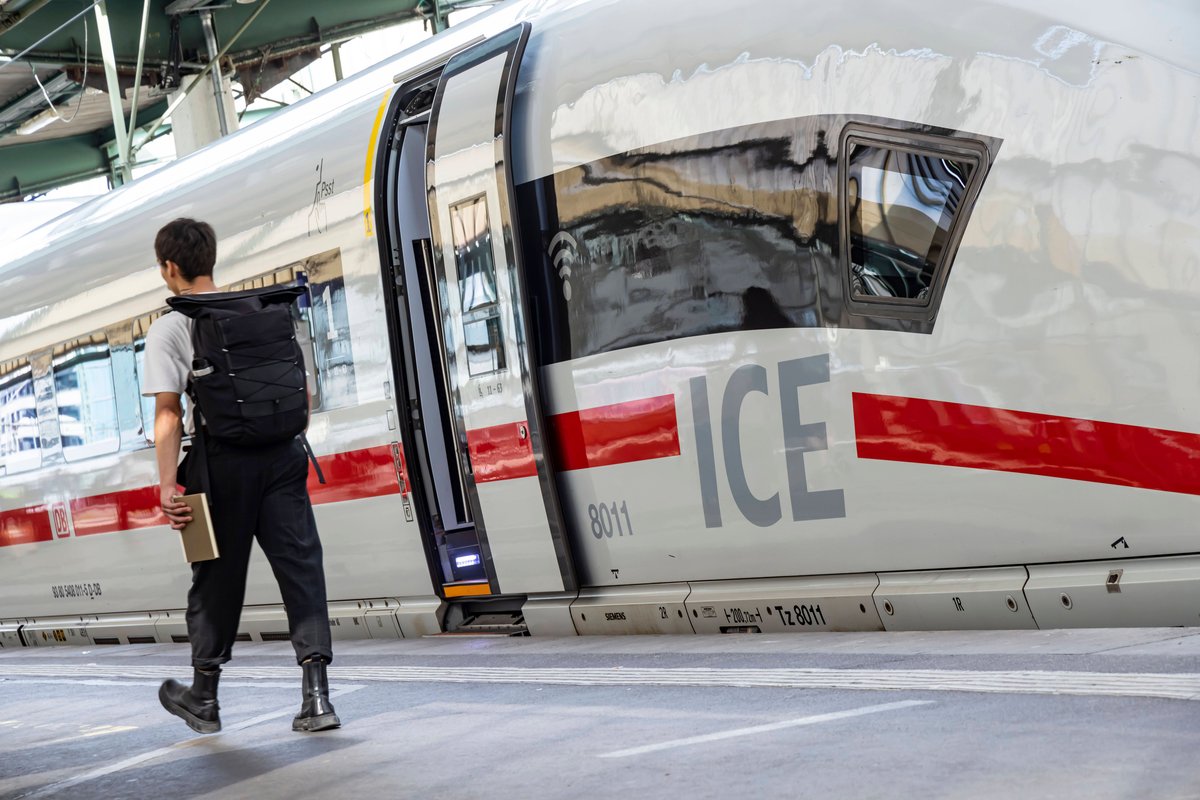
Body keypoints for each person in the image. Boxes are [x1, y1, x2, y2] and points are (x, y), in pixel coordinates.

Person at [143, 217, 340, 734]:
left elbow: (168, 414)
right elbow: (306, 394)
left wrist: (168, 484)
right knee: (301, 568)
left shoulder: (172, 326)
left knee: (215, 576)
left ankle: (204, 696)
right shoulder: (262, 311)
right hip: (283, 455)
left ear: (169, 267)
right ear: (211, 258)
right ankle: (317, 698)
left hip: (221, 463)